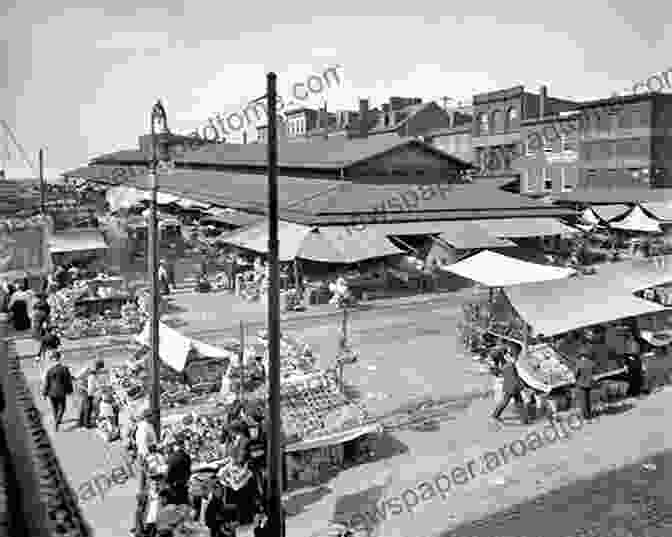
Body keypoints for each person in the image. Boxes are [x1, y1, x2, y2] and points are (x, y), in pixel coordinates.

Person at [491, 353, 529, 424]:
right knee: (511, 402)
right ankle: (495, 415)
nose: (506, 356)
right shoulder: (509, 365)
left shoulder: (503, 365)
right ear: (502, 357)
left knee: (515, 401)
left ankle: (524, 419)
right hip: (514, 386)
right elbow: (518, 374)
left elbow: (498, 373)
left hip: (510, 386)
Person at [41, 351, 73, 432]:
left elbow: (47, 383)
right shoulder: (64, 369)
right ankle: (57, 422)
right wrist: (70, 391)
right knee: (62, 408)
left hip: (51, 392)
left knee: (54, 408)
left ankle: (56, 420)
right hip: (61, 392)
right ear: (59, 358)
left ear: (53, 359)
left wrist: (44, 394)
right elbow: (68, 381)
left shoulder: (50, 370)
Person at [165, 434, 192, 506]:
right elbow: (189, 471)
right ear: (183, 446)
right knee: (183, 505)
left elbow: (169, 471)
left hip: (174, 486)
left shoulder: (172, 457)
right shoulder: (187, 456)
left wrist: (167, 482)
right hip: (183, 485)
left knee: (175, 505)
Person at [79, 361, 102, 428]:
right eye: (99, 368)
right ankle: (87, 424)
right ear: (98, 367)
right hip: (87, 392)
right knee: (88, 408)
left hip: (84, 390)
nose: (99, 370)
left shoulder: (88, 370)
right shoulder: (92, 373)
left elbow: (79, 378)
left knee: (83, 407)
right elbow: (94, 384)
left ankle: (81, 422)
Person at [574, 353, 595, 420]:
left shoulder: (579, 363)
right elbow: (594, 371)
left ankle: (586, 416)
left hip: (581, 383)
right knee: (588, 399)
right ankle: (589, 413)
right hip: (589, 383)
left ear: (581, 357)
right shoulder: (591, 363)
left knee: (583, 400)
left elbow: (576, 374)